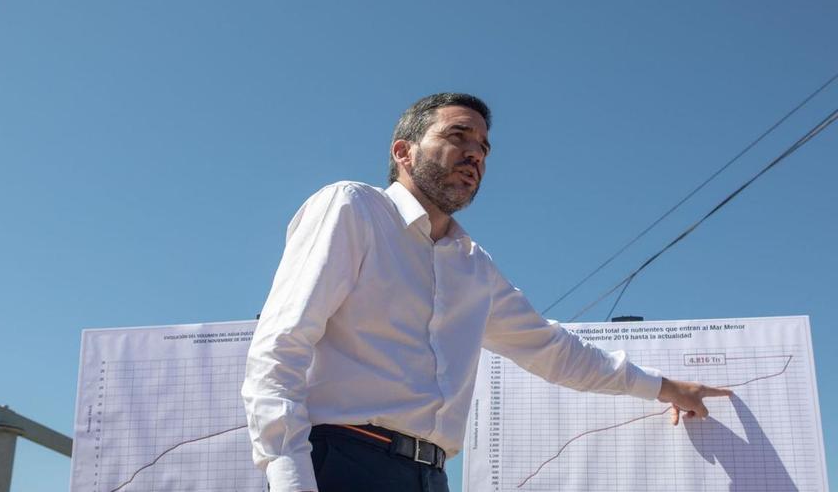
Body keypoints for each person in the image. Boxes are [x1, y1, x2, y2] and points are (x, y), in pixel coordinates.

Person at [242, 93, 732, 492]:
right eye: (458, 136)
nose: (475, 153)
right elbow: (280, 344)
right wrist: (290, 480)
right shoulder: (355, 208)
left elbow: (555, 351)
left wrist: (667, 388)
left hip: (431, 477)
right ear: (403, 151)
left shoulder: (474, 266)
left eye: (483, 146)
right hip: (344, 462)